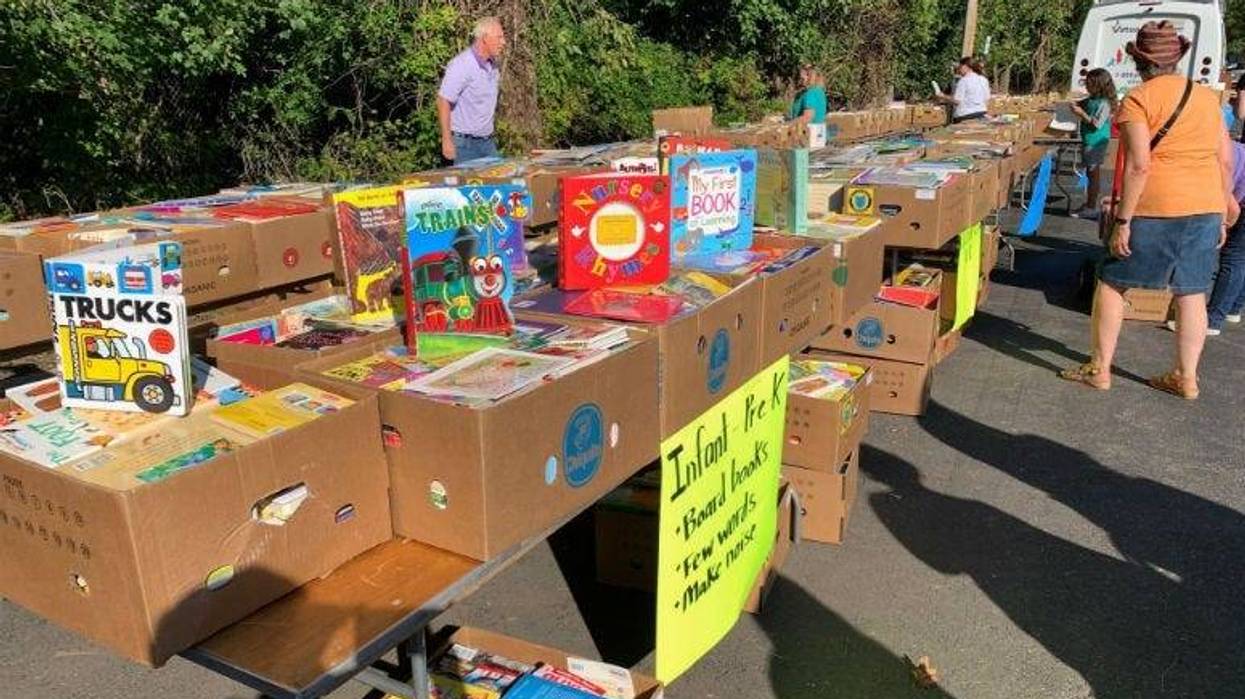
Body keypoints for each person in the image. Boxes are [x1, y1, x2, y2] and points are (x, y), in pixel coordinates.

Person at [1061, 21, 1239, 400]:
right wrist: (1224, 204)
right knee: (1192, 292)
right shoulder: (1208, 98)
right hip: (1205, 204)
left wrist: (1123, 220)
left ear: (1138, 59)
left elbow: (1140, 165)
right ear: (1177, 58)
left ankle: (1100, 367)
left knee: (1111, 282)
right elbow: (1225, 160)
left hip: (1157, 206)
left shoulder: (1138, 100)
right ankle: (1186, 376)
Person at [437, 17, 505, 165]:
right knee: (467, 187)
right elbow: (444, 100)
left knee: (497, 184)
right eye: (499, 37)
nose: (503, 42)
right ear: (485, 38)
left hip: (487, 143)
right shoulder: (462, 65)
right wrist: (447, 140)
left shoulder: (493, 66)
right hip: (464, 145)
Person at [1070, 68, 1118, 220]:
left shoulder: (1104, 103)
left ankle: (1091, 207)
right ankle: (1089, 204)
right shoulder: (1093, 99)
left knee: (1093, 174)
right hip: (1089, 139)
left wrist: (1081, 114)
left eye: (1090, 84)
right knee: (1091, 173)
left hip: (1096, 141)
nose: (1087, 87)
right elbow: (1084, 102)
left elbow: (1096, 124)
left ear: (1099, 85)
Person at [936, 57, 990, 123]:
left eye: (960, 67)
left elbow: (957, 100)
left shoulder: (964, 80)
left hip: (965, 115)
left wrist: (943, 96)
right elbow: (987, 99)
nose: (959, 70)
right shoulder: (983, 80)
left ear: (965, 66)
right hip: (981, 113)